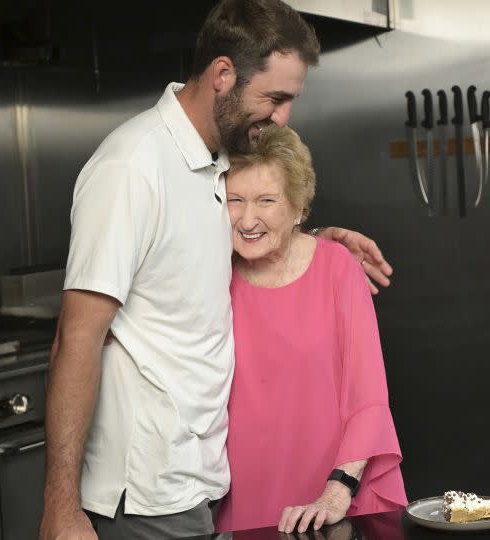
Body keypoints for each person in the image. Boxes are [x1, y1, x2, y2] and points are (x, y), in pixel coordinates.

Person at [39, 1, 394, 538]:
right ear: (223, 75)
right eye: (274, 98)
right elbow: (76, 337)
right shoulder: (132, 167)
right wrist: (61, 506)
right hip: (144, 495)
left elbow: (232, 237)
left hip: (200, 486)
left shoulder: (216, 164)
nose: (281, 117)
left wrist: (317, 242)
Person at [214, 126, 407, 535]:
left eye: (266, 200)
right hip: (244, 497)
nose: (248, 219)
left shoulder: (338, 269)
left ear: (298, 207)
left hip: (336, 494)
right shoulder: (213, 275)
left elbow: (368, 396)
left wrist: (338, 491)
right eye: (235, 200)